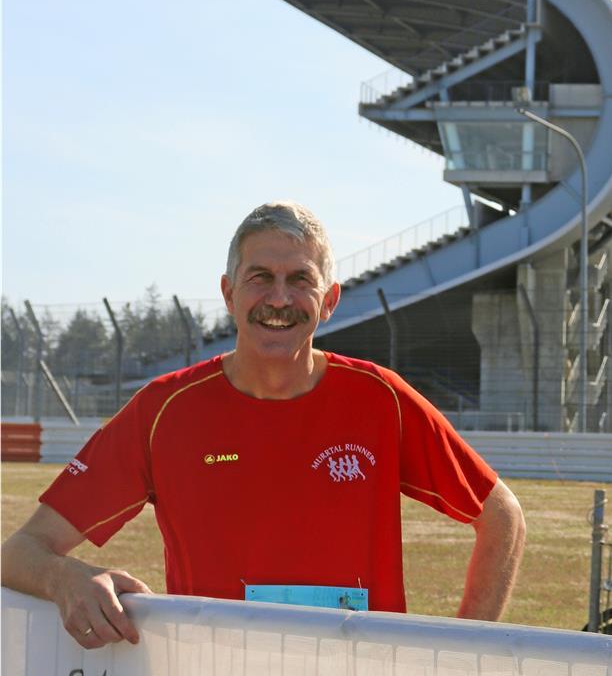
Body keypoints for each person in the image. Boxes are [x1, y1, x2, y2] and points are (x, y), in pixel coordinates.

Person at [0, 201, 526, 649]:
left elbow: (502, 517)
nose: (279, 298)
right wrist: (66, 578)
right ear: (229, 294)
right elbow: (20, 551)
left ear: (329, 300)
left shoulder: (381, 400)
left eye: (300, 280)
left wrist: (464, 650)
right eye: (261, 279)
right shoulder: (164, 411)